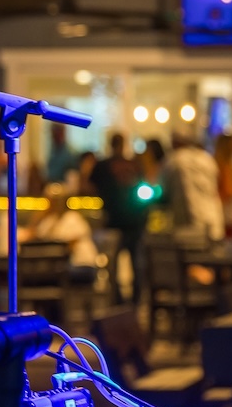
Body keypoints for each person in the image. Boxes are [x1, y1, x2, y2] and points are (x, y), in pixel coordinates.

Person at [90, 133, 147, 302]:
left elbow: (89, 186)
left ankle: (117, 300)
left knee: (113, 264)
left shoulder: (102, 165)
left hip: (113, 220)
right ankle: (136, 300)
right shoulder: (134, 164)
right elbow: (144, 186)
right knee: (136, 263)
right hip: (134, 220)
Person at [28, 183, 98, 282]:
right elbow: (33, 235)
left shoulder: (73, 218)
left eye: (57, 200)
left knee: (50, 276)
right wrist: (40, 215)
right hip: (61, 266)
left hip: (82, 266)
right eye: (51, 200)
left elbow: (69, 247)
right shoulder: (50, 221)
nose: (55, 203)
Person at [162, 130, 224, 241]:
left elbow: (163, 190)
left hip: (187, 226)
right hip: (213, 221)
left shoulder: (175, 161)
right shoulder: (207, 159)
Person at [44, 121, 76, 185]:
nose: (53, 136)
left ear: (62, 132)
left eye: (56, 133)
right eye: (52, 133)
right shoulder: (53, 151)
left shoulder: (70, 154)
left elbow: (72, 177)